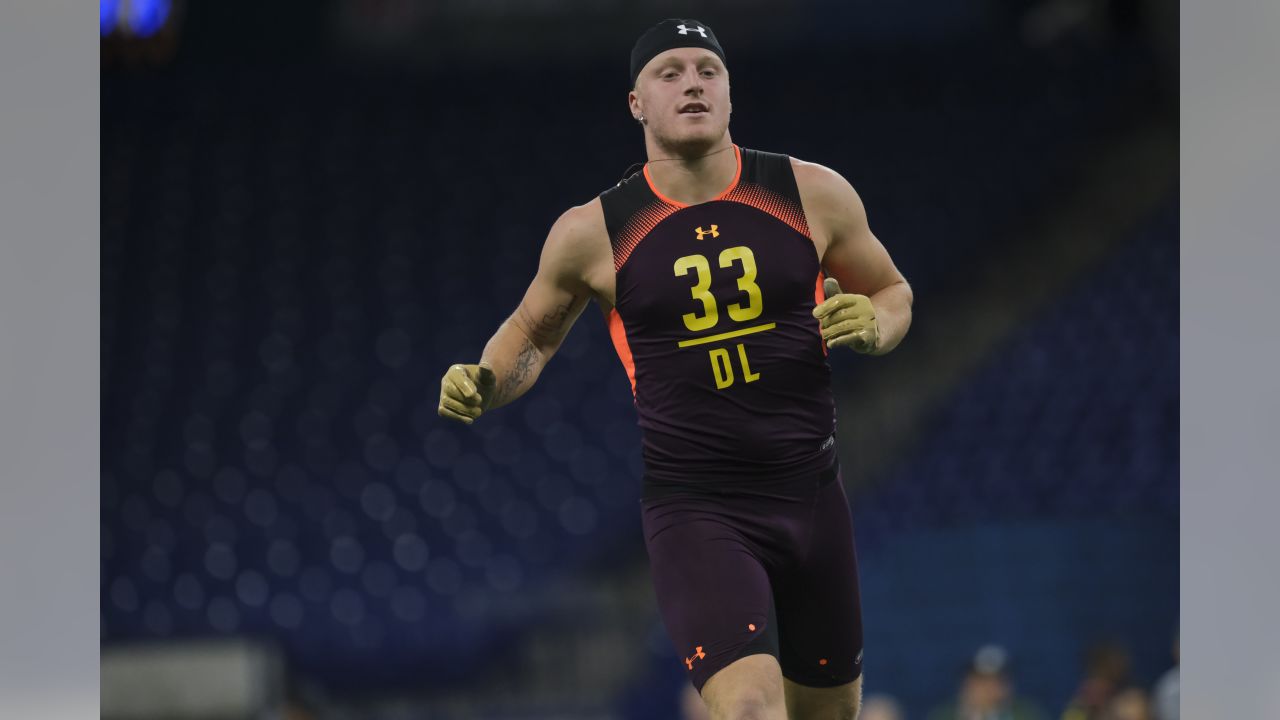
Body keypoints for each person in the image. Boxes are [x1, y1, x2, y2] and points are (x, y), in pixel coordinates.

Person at [438, 18, 913, 720]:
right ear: (637, 103)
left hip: (812, 495)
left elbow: (891, 291)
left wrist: (877, 328)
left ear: (729, 94)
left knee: (830, 715)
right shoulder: (592, 230)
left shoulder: (812, 192)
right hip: (699, 508)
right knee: (750, 709)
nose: (691, 82)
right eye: (670, 72)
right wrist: (485, 378)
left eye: (707, 70)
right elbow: (530, 337)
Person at [927, 645, 1048, 720]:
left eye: (996, 682)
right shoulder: (943, 716)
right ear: (966, 684)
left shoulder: (1026, 715)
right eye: (981, 682)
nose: (988, 690)